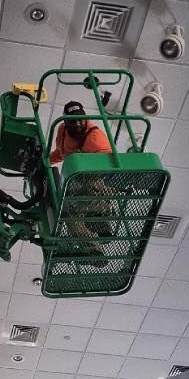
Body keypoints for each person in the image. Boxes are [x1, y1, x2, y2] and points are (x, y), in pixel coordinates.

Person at [49, 101, 113, 263]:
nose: (77, 124)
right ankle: (93, 251)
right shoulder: (62, 130)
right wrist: (45, 161)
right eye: (72, 121)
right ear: (65, 121)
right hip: (77, 186)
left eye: (80, 119)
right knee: (68, 216)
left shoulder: (95, 138)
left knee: (94, 186)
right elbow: (62, 153)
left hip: (96, 184)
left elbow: (108, 168)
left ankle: (101, 217)